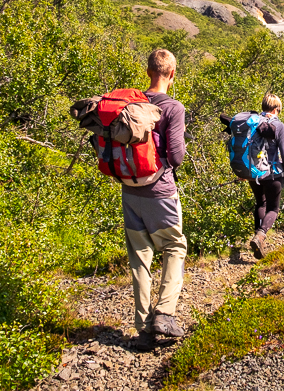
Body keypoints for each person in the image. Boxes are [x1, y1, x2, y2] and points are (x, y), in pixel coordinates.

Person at [123, 49, 188, 350]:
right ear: (172, 74)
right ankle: (164, 312)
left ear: (148, 71)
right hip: (160, 190)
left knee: (140, 258)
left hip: (130, 189)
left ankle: (143, 329)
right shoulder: (173, 108)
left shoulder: (131, 103)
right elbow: (176, 155)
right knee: (174, 246)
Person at [248, 94, 284, 259]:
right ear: (276, 109)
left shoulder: (252, 121)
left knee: (260, 203)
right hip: (272, 173)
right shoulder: (278, 125)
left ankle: (257, 241)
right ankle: (260, 236)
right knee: (273, 209)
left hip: (252, 172)